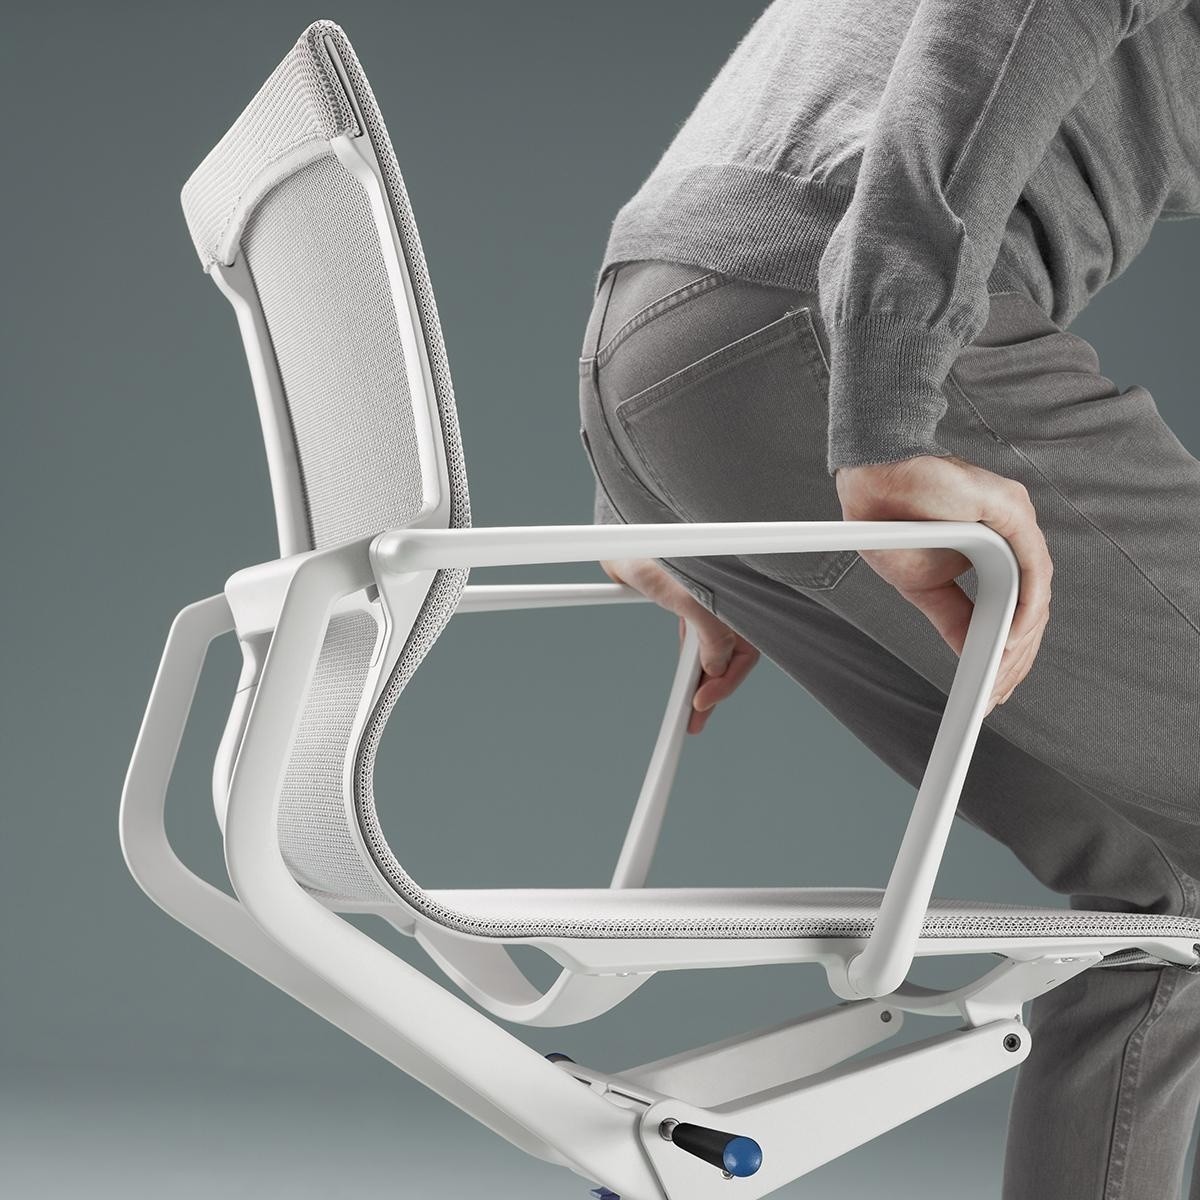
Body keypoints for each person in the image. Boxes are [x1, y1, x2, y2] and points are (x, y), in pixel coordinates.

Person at [576, 2, 1200, 1197]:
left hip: (679, 352)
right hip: (824, 347)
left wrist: (654, 485)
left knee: (1164, 888)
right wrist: (886, 409)